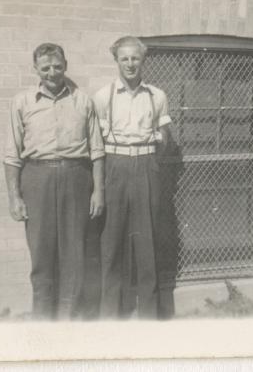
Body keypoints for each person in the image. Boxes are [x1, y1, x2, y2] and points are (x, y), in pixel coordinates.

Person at [4, 42, 105, 320]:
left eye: (57, 66)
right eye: (46, 67)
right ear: (36, 68)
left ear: (66, 66)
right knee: (42, 253)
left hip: (76, 178)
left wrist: (99, 191)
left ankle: (69, 321)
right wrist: (15, 196)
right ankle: (43, 323)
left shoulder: (83, 100)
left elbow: (97, 151)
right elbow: (11, 154)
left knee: (75, 255)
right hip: (38, 179)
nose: (52, 72)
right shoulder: (22, 102)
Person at [93, 36, 172, 319]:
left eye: (135, 58)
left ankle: (149, 316)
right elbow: (96, 141)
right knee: (111, 241)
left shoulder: (156, 95)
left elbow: (165, 137)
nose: (130, 64)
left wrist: (149, 158)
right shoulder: (103, 97)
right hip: (115, 165)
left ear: (143, 60)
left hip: (146, 165)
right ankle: (110, 315)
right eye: (124, 59)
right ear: (116, 61)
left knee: (147, 240)